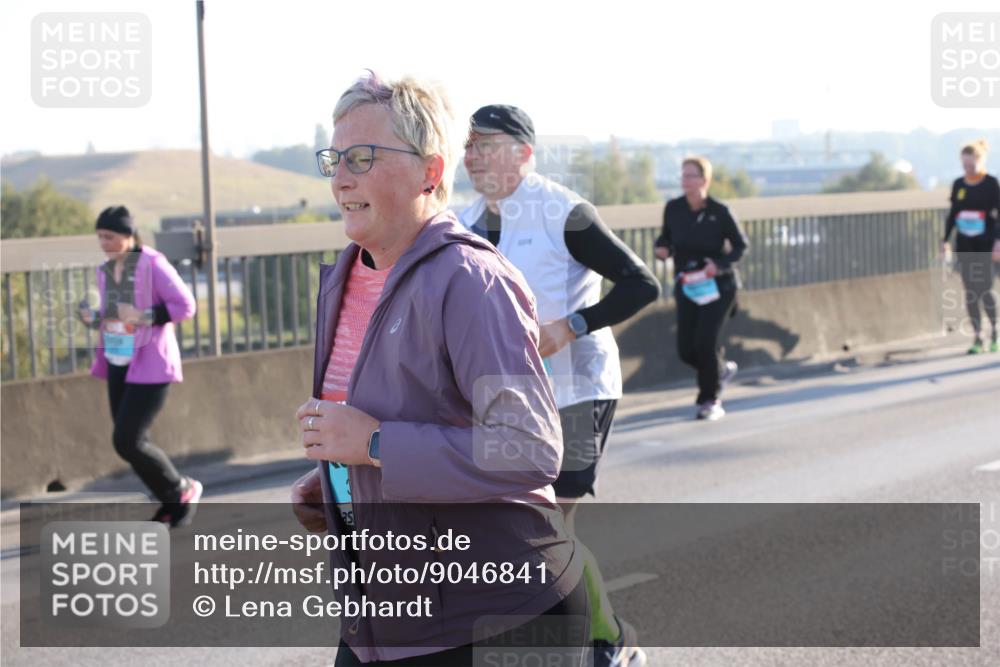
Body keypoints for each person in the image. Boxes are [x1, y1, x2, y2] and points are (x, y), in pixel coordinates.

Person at [290, 73, 588, 666]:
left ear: (430, 171)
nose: (341, 177)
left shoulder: (472, 281)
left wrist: (375, 445)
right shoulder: (344, 280)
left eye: (362, 157)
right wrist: (341, 481)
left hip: (496, 616)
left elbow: (528, 449)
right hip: (383, 619)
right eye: (334, 159)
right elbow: (408, 422)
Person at [459, 104, 660, 667]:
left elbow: (641, 284)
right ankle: (591, 639)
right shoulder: (465, 222)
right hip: (510, 401)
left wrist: (571, 325)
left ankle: (609, 642)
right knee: (522, 530)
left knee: (549, 525)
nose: (472, 156)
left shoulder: (564, 212)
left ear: (524, 152)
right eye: (468, 146)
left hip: (577, 389)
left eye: (485, 144)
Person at [79, 205, 201, 527]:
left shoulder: (153, 264)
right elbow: (114, 314)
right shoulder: (105, 270)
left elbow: (185, 305)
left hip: (151, 364)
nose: (103, 243)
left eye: (110, 236)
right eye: (100, 237)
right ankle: (172, 502)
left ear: (129, 235)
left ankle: (181, 488)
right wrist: (93, 317)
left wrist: (144, 316)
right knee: (128, 444)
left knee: (128, 439)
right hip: (118, 360)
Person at [655, 156, 748, 421]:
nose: (685, 180)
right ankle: (719, 370)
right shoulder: (674, 208)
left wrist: (718, 265)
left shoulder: (720, 211)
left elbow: (740, 246)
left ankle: (709, 399)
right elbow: (666, 238)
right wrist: (662, 249)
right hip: (688, 285)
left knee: (705, 342)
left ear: (704, 180)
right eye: (683, 175)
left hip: (718, 286)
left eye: (691, 175)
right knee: (686, 349)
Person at [941, 139, 1000, 354]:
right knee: (970, 292)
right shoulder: (959, 184)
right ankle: (977, 337)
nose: (968, 168)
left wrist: (998, 241)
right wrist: (945, 240)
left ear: (980, 161)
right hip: (965, 243)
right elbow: (953, 214)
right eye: (964, 165)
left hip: (985, 243)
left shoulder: (991, 183)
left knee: (984, 290)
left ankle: (994, 333)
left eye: (971, 164)